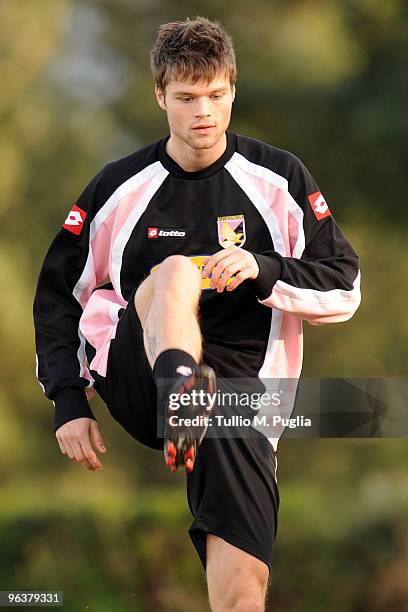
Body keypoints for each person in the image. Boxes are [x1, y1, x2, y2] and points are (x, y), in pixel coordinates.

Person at [33, 16, 361, 610]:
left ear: (233, 88)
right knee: (178, 271)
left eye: (215, 95)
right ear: (160, 96)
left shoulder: (278, 178)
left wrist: (264, 270)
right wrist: (67, 401)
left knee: (243, 592)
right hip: (140, 382)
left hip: (243, 403)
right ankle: (181, 388)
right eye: (185, 98)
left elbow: (344, 288)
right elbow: (58, 293)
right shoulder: (119, 187)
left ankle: (198, 401)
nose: (202, 111)